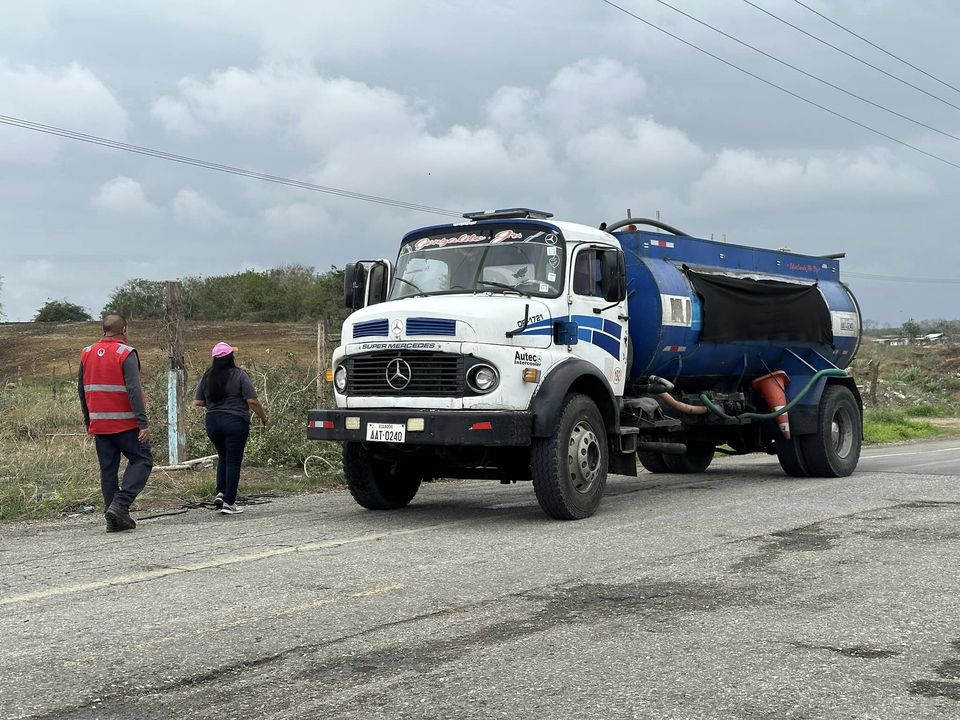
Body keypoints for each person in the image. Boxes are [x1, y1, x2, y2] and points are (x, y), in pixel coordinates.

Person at [79, 314, 153, 533]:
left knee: (108, 470)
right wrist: (143, 422)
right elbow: (134, 389)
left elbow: (81, 390)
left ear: (104, 330)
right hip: (125, 424)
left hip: (99, 424)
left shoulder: (87, 352)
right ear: (124, 330)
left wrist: (88, 420)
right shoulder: (125, 352)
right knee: (142, 459)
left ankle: (113, 519)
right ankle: (120, 505)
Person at [194, 342, 269, 515]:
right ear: (230, 358)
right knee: (233, 461)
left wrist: (214, 404)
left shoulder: (207, 376)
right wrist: (264, 418)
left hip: (212, 422)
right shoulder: (239, 374)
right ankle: (229, 502)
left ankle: (221, 493)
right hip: (235, 422)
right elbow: (252, 401)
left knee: (223, 456)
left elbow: (198, 401)